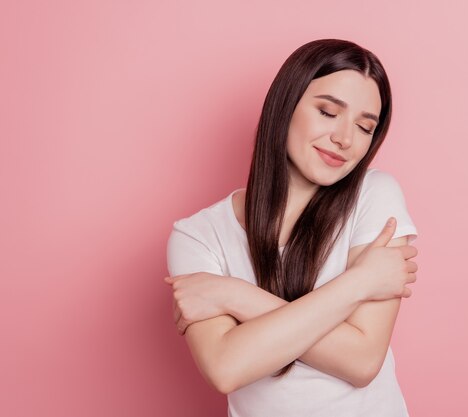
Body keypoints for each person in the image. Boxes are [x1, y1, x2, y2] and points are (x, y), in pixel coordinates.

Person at [164, 38, 419, 417]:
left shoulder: (374, 195)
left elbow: (363, 360)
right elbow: (226, 368)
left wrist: (234, 295)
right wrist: (362, 281)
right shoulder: (198, 236)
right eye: (328, 112)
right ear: (285, 105)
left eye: (365, 127)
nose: (345, 139)